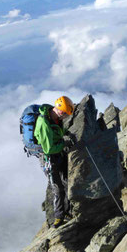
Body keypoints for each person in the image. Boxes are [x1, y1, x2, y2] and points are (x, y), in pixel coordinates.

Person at [33, 96, 76, 227]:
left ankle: (66, 211)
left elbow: (58, 133)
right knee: (57, 188)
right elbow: (48, 149)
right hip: (49, 159)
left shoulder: (55, 119)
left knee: (66, 182)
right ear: (58, 109)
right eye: (64, 113)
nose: (64, 117)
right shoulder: (44, 123)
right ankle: (58, 217)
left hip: (58, 155)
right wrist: (64, 143)